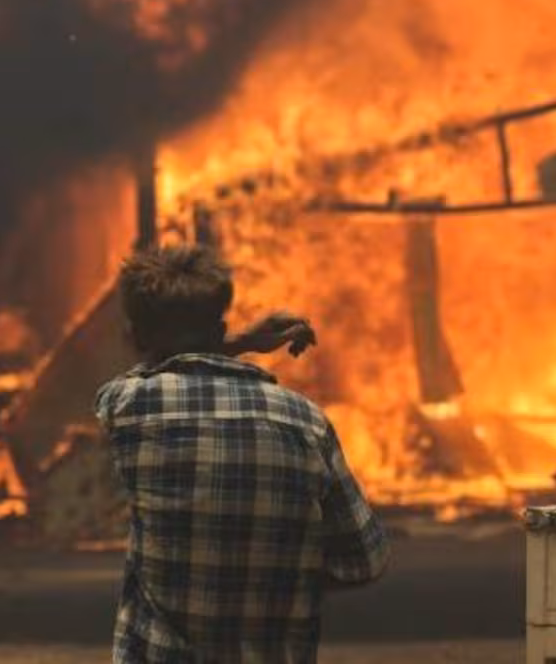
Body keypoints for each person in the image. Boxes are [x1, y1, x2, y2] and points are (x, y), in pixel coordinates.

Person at [94, 245, 390, 664]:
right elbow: (365, 560)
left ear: (135, 336)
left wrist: (241, 342)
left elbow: (154, 370)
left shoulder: (127, 407)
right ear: (219, 327)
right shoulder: (305, 421)